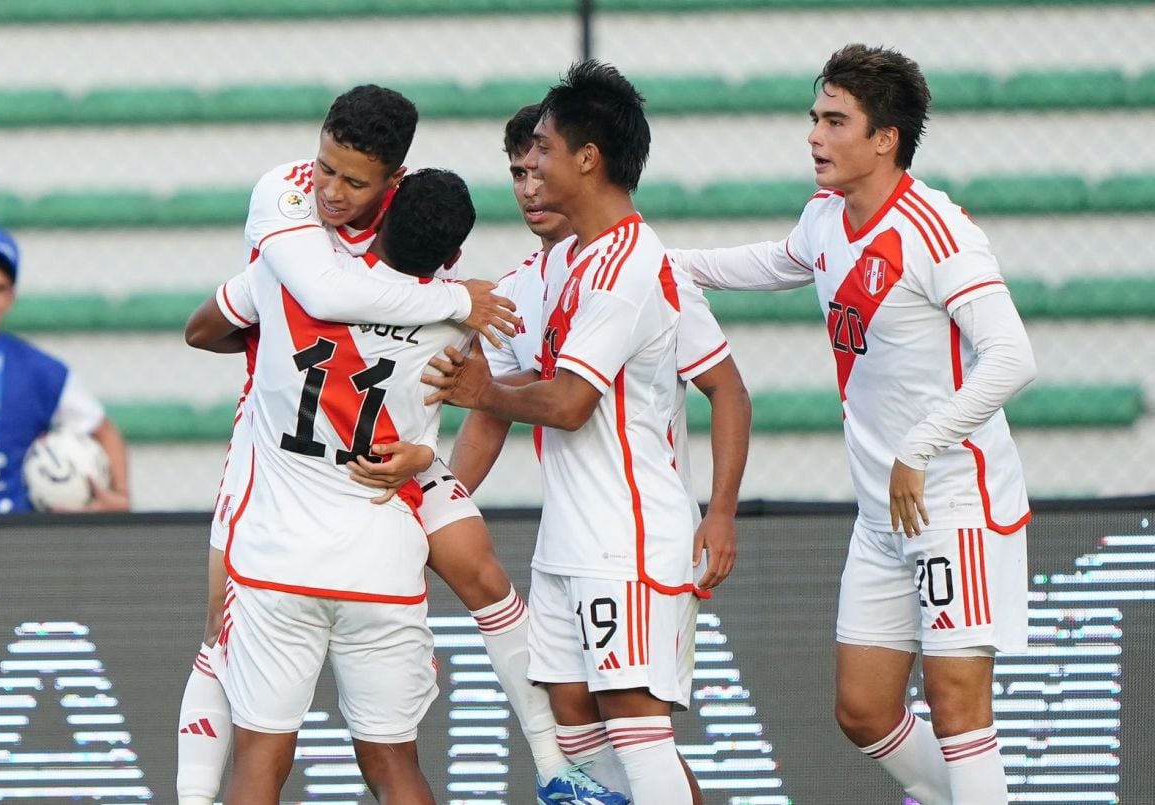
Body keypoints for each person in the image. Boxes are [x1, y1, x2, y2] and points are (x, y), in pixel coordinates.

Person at [176, 85, 618, 805]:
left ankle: (559, 762)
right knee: (398, 751)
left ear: (393, 186)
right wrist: (452, 319)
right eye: (325, 169)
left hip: (286, 515)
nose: (329, 190)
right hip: (382, 538)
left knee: (249, 723)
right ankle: (559, 756)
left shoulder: (279, 272)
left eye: (353, 180)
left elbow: (211, 326)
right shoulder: (458, 310)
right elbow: (464, 399)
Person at [667, 44, 1036, 805]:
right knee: (863, 709)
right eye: (814, 118)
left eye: (835, 121)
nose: (814, 136)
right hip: (882, 514)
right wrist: (658, 260)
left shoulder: (937, 231)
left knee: (959, 706)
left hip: (954, 503)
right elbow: (772, 262)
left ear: (884, 139)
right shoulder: (827, 219)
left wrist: (919, 445)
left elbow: (1013, 358)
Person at [445, 102, 750, 803]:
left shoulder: (638, 268)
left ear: (586, 158)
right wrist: (440, 499)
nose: (527, 181)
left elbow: (717, 389)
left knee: (637, 737)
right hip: (567, 541)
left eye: (540, 156)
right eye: (517, 168)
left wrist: (721, 510)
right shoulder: (540, 275)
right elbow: (500, 393)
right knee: (580, 731)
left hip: (629, 540)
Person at [206, 167, 482, 804]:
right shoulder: (456, 323)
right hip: (382, 562)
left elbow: (204, 329)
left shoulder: (289, 282)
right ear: (454, 258)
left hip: (280, 562)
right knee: (393, 766)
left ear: (378, 218)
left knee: (259, 757)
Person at [0, 224, 129, 514]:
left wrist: (120, 498)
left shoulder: (38, 370)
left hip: (10, 537)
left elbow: (105, 431)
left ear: (10, 298)